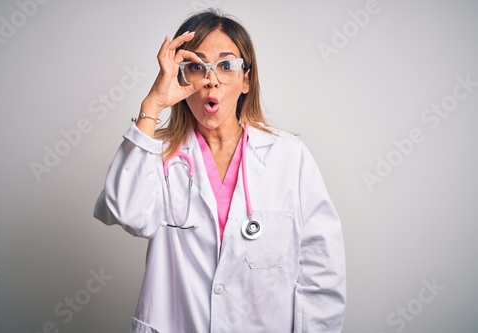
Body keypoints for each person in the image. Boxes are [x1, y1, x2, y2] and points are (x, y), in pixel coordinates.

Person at [94, 9, 346, 333]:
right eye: (197, 67)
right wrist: (153, 105)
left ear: (246, 79)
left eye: (226, 66)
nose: (211, 79)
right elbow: (124, 211)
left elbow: (322, 270)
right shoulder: (158, 157)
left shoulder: (289, 158)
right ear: (182, 80)